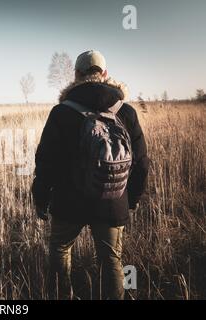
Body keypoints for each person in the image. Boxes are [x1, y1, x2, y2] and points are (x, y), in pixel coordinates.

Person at [32, 50, 150, 300]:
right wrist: (133, 199)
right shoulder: (125, 111)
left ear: (76, 75)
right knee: (111, 259)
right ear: (105, 74)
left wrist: (41, 197)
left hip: (68, 201)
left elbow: (46, 161)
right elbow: (141, 163)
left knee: (60, 249)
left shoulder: (61, 112)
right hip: (113, 199)